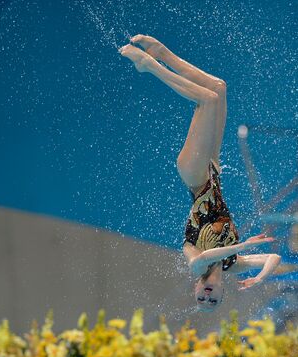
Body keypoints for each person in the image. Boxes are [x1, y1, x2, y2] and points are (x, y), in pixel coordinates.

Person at [120, 35, 281, 312]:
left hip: (194, 176)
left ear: (195, 289)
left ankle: (150, 66)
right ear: (222, 293)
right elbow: (274, 257)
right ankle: (163, 53)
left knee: (206, 100)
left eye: (200, 299)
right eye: (213, 300)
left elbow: (202, 257)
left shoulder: (197, 260)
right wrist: (259, 277)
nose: (206, 295)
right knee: (218, 89)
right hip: (213, 170)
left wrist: (239, 247)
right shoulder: (234, 265)